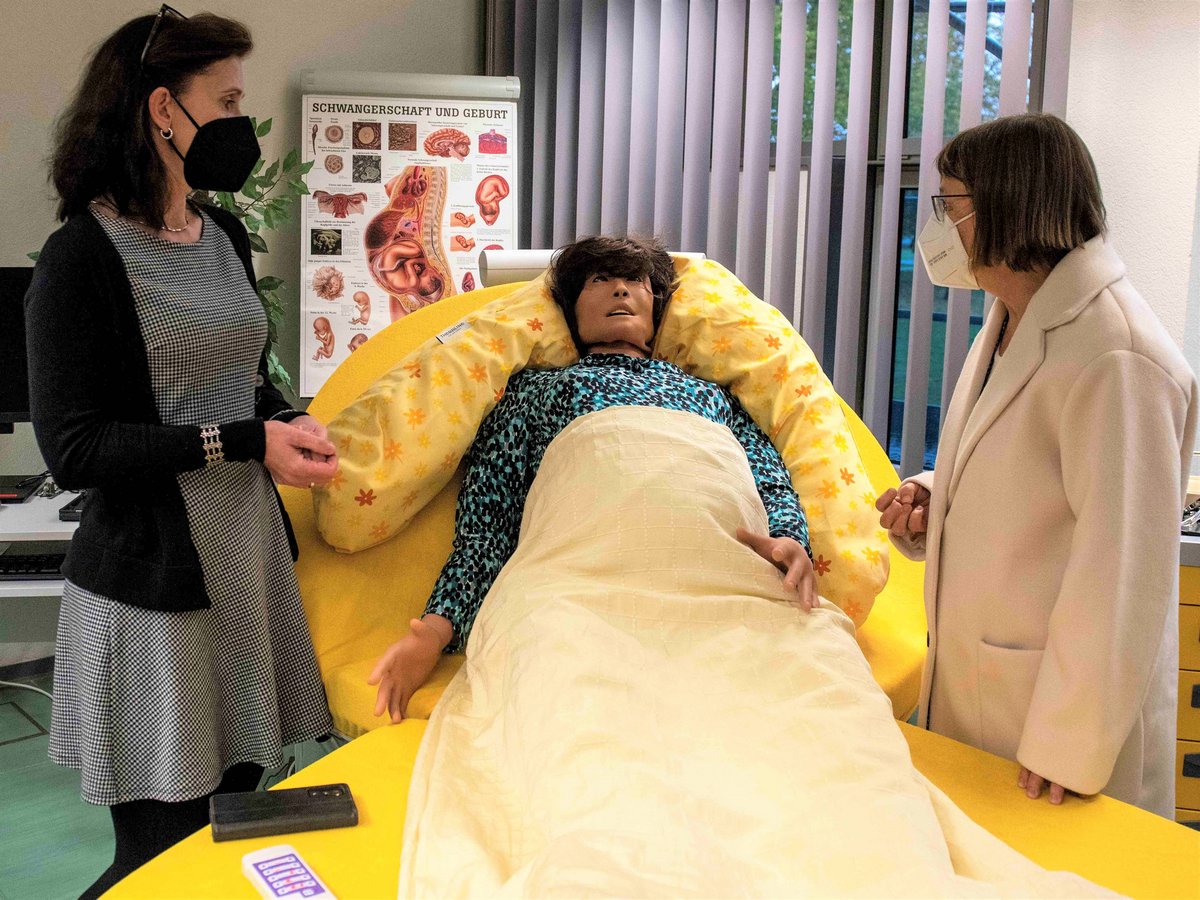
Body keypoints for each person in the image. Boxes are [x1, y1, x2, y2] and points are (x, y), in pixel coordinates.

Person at [25, 8, 339, 895]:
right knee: (158, 862)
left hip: (242, 565)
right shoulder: (79, 258)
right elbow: (77, 448)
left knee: (231, 831)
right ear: (164, 110)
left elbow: (244, 376)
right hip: (154, 589)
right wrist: (248, 439)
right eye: (229, 99)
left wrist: (287, 420)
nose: (243, 121)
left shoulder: (222, 234)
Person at [875, 113, 1197, 816]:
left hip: (1054, 735)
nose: (937, 229)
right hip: (986, 689)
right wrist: (936, 494)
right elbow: (1025, 473)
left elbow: (1123, 569)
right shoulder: (1011, 318)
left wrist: (1069, 742)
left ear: (1008, 206)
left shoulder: (1118, 353)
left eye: (948, 204)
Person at [369, 236, 816, 720]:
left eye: (634, 282)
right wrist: (434, 632)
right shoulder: (534, 390)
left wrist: (787, 541)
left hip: (719, 581)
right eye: (600, 280)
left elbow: (768, 478)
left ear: (656, 307)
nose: (620, 291)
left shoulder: (711, 393)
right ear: (570, 310)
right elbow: (489, 521)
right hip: (581, 589)